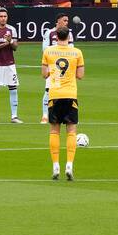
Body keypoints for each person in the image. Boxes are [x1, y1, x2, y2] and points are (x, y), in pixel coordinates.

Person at [41, 25, 85, 181]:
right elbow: (80, 75)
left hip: (55, 94)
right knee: (72, 130)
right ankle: (69, 165)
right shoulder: (77, 52)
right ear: (69, 37)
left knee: (54, 131)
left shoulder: (48, 52)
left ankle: (55, 165)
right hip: (70, 94)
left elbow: (44, 74)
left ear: (56, 37)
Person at [0, 7, 22, 124]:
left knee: (13, 89)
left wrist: (11, 41)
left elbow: (16, 47)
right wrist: (5, 43)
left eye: (5, 16)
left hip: (10, 63)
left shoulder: (12, 29)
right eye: (1, 16)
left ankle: (14, 116)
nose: (3, 18)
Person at [40, 13, 76, 123]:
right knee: (48, 90)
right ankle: (45, 115)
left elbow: (72, 48)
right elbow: (44, 49)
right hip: (53, 66)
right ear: (58, 21)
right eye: (64, 20)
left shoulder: (69, 33)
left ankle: (63, 114)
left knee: (65, 90)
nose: (66, 22)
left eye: (67, 20)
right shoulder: (49, 33)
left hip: (65, 66)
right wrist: (60, 49)